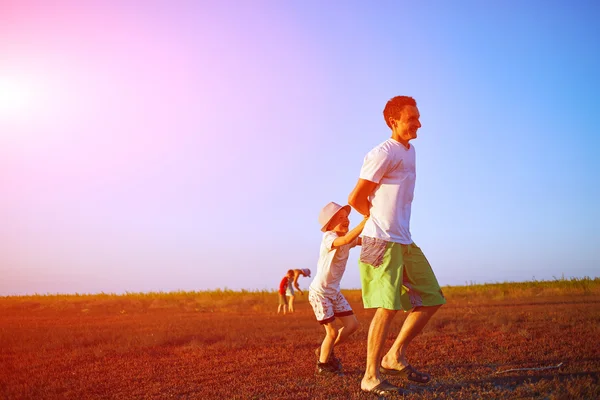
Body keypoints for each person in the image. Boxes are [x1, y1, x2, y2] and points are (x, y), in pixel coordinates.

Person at [348, 96, 446, 396]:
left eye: (417, 117)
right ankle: (370, 377)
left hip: (404, 239)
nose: (418, 123)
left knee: (431, 297)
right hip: (381, 239)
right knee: (387, 308)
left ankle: (394, 356)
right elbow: (356, 199)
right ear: (394, 122)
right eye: (411, 118)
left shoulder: (410, 150)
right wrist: (374, 218)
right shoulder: (382, 152)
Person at [308, 201, 368, 375]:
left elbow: (359, 241)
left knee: (352, 325)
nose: (346, 220)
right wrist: (365, 222)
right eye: (340, 218)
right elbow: (347, 239)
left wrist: (382, 241)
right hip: (320, 293)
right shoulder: (329, 238)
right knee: (332, 332)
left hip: (334, 292)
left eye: (347, 216)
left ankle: (324, 351)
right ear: (329, 225)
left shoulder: (347, 240)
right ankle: (323, 366)